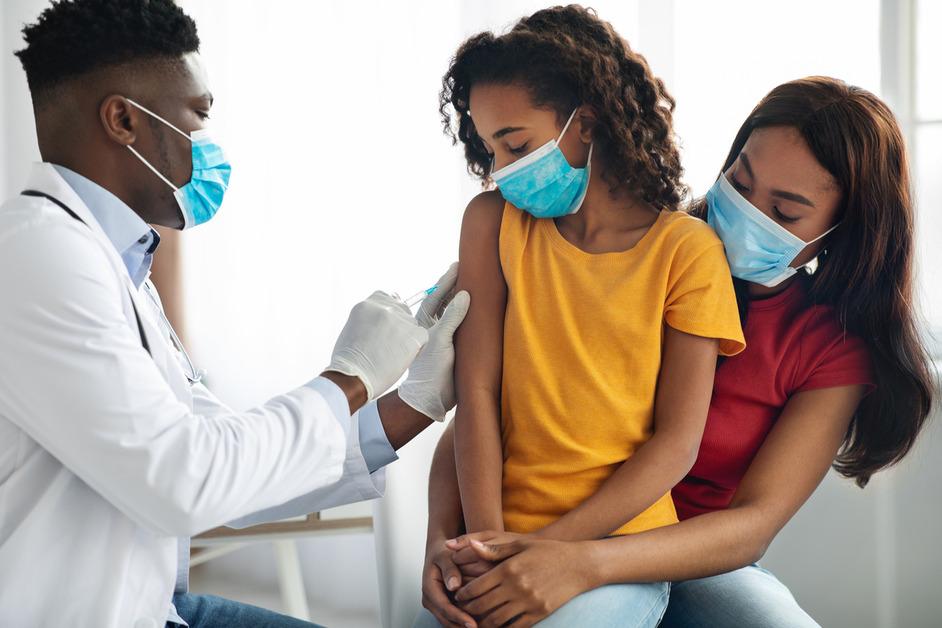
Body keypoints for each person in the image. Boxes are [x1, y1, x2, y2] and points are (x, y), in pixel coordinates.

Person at [0, 2, 469, 627]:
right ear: (122, 120)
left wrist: (412, 402)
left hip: (153, 605)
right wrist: (350, 377)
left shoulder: (114, 262)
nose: (208, 147)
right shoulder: (39, 256)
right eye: (198, 116)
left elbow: (229, 466)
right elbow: (187, 481)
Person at [423, 77, 934, 628]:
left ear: (843, 233)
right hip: (548, 523)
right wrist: (443, 540)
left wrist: (577, 562)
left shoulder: (831, 348)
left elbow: (753, 525)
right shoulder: (640, 251)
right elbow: (488, 410)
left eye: (785, 214)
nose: (745, 210)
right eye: (740, 180)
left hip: (692, 560)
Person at [416, 6, 745, 626]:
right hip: (496, 541)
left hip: (614, 551)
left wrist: (551, 552)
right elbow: (477, 394)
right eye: (488, 150)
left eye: (516, 144)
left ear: (587, 123)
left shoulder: (688, 252)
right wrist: (488, 548)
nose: (501, 169)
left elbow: (676, 444)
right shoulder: (492, 223)